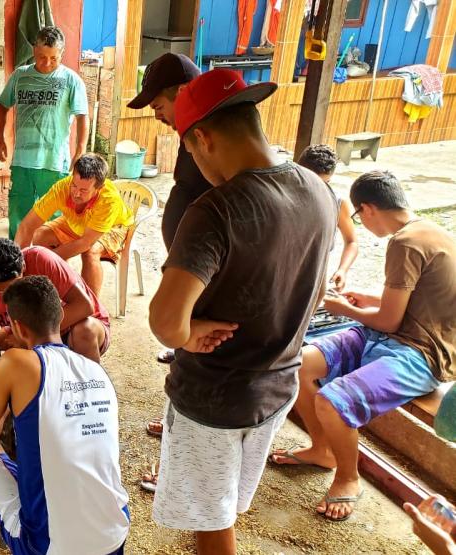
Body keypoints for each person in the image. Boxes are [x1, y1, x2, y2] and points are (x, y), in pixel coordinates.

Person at [147, 69, 337, 554]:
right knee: (226, 504)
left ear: (203, 139)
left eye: (188, 149)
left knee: (212, 525)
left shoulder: (217, 210)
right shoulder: (318, 189)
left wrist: (188, 335)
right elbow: (314, 292)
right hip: (279, 386)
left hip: (216, 399)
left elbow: (166, 324)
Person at [270, 171, 456, 522]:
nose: (361, 224)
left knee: (333, 401)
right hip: (391, 336)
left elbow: (388, 321)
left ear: (367, 209)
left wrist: (342, 308)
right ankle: (322, 450)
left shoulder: (405, 242)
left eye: (358, 216)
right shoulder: (428, 230)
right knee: (298, 364)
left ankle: (348, 477)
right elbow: (408, 304)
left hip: (419, 354)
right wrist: (364, 300)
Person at [0, 276, 129, 554]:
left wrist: (3, 396)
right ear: (59, 318)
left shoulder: (16, 363)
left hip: (49, 543)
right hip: (114, 533)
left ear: (17, 327)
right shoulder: (95, 371)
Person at [128, 53, 211, 374]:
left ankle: (190, 368)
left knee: (196, 313)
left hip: (204, 253)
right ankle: (184, 355)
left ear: (180, 91)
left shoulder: (208, 128)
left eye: (158, 106)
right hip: (188, 245)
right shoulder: (190, 127)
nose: (157, 116)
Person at [0, 26, 88, 239]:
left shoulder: (71, 80)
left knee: (54, 221)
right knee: (18, 216)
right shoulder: (20, 76)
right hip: (22, 161)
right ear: (34, 51)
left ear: (62, 54)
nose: (46, 63)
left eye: (53, 58)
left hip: (54, 162)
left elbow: (83, 117)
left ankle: (49, 266)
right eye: (40, 57)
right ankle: (15, 265)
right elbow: (2, 106)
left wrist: (80, 151)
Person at [0, 238, 111, 363]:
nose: (9, 295)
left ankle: (90, 387)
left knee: (85, 330)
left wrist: (28, 338)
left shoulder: (41, 260)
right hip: (31, 333)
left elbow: (84, 307)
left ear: (23, 266)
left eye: (14, 285)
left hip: (76, 327)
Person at [14, 153, 133, 295]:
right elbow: (27, 226)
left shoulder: (108, 200)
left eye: (84, 190)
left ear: (98, 188)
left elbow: (85, 243)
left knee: (90, 253)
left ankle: (92, 309)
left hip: (114, 227)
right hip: (78, 222)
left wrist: (45, 260)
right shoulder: (62, 188)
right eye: (74, 186)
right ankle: (58, 287)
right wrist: (16, 267)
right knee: (40, 236)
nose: (76, 194)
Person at [297, 144, 359, 290]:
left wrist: (342, 270)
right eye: (311, 182)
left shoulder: (337, 203)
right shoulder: (284, 198)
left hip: (316, 278)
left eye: (325, 183)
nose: (318, 189)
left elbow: (352, 242)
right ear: (297, 171)